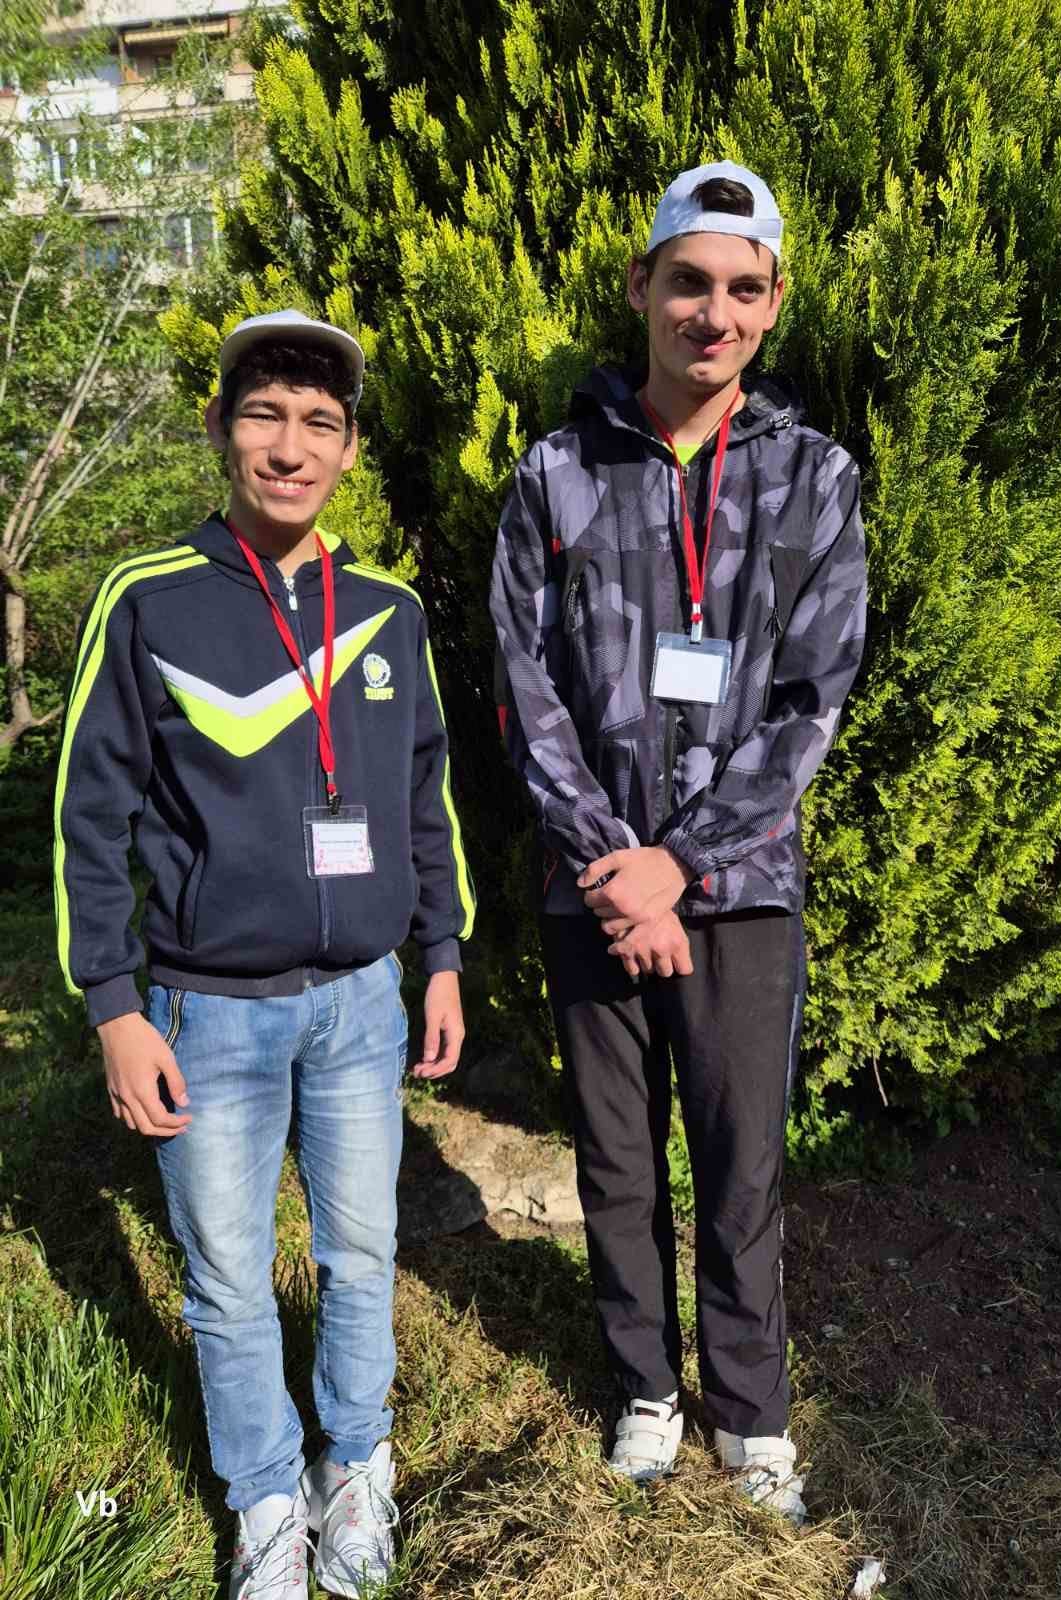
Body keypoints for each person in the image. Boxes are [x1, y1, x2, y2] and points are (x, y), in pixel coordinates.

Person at [53, 309, 474, 1598]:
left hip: (362, 1002)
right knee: (230, 1280)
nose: (291, 448)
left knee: (363, 1254)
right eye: (265, 417)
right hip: (206, 1012)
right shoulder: (148, 600)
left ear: (348, 452)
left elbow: (425, 799)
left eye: (320, 425)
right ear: (222, 430)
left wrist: (441, 955)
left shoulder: (390, 612)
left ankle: (357, 1463)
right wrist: (115, 1006)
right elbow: (87, 815)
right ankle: (266, 1500)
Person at [491, 162, 867, 1520]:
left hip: (742, 889)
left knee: (740, 1163)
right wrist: (619, 867)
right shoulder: (555, 471)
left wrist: (683, 863)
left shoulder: (815, 479)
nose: (715, 313)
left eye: (743, 289)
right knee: (614, 1159)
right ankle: (646, 1388)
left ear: (773, 304)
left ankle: (752, 1415)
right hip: (589, 886)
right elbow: (522, 687)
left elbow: (814, 700)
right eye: (690, 282)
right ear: (642, 286)